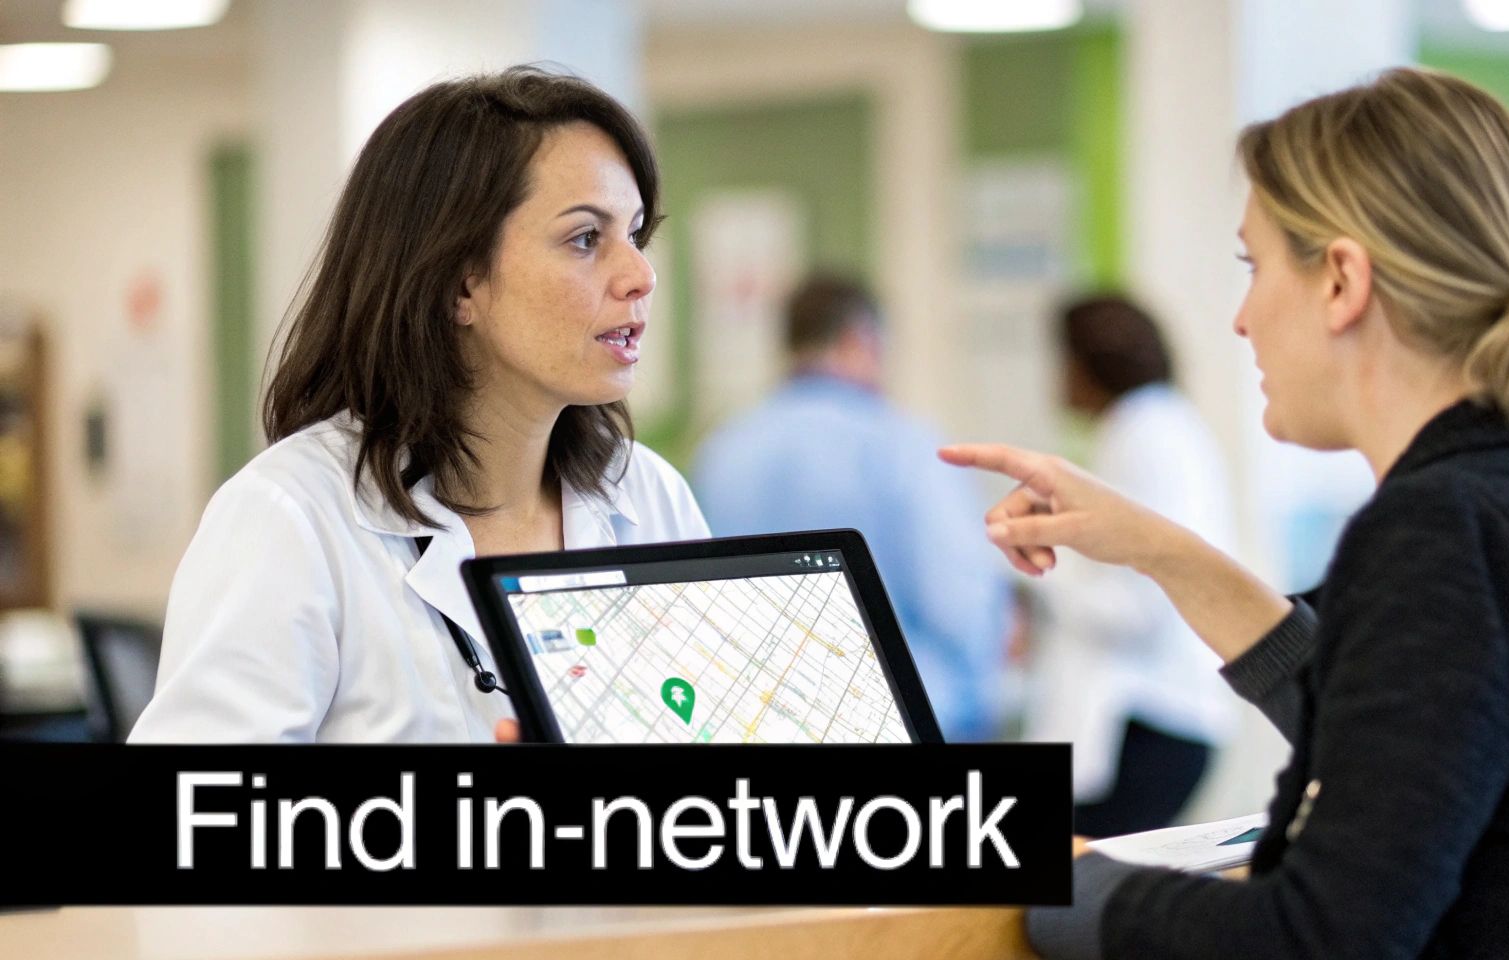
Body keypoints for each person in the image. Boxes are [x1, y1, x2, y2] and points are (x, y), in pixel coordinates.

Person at [942, 68, 1509, 960]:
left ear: (1340, 280)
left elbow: (1313, 943)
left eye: (1253, 267)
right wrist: (1155, 547)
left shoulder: (1442, 529)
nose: (1241, 318)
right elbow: (1398, 737)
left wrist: (1060, 880)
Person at [131, 67, 709, 743]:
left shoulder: (649, 497)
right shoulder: (290, 518)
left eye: (636, 235)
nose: (641, 275)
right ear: (459, 284)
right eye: (586, 239)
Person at [691, 276, 1009, 741]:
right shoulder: (903, 446)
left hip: (759, 724)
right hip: (900, 721)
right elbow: (959, 600)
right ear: (860, 338)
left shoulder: (722, 450)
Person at [1028, 295, 1236, 835]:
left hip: (1149, 717)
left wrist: (1037, 571)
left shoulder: (1142, 434)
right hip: (1167, 715)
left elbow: (1140, 604)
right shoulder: (1161, 425)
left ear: (1088, 363)